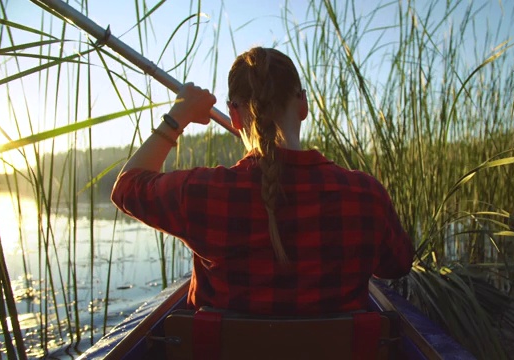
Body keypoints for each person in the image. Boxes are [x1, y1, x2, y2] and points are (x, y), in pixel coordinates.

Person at [111, 47, 414, 316]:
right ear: (303, 106)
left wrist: (179, 114)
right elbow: (396, 265)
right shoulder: (365, 195)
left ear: (234, 116)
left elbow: (127, 186)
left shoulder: (203, 193)